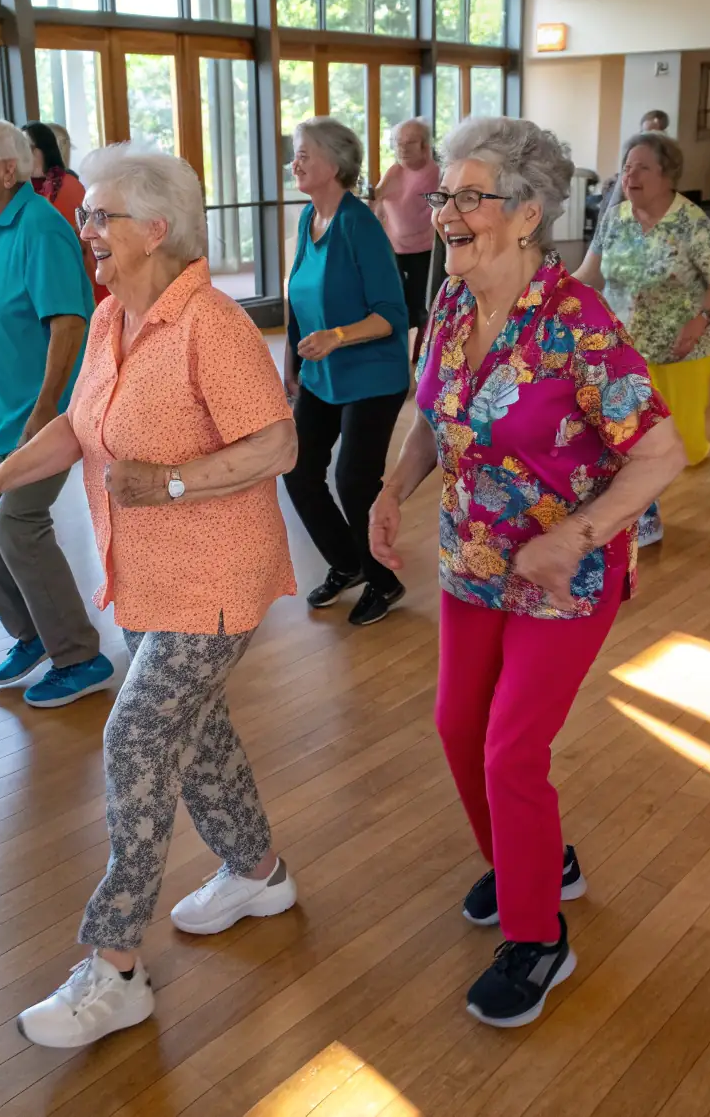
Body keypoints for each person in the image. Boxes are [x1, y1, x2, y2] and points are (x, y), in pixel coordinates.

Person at [0, 144, 299, 1049]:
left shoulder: (210, 323)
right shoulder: (112, 318)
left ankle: (115, 967)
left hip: (215, 577)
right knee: (197, 729)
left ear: (157, 228)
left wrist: (173, 482)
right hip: (143, 574)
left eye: (101, 216)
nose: (87, 228)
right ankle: (259, 870)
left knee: (137, 732)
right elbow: (79, 426)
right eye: (87, 215)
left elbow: (278, 445)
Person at [369, 116, 685, 1029]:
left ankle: (539, 935)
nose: (446, 211)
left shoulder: (578, 324)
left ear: (527, 214)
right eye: (445, 194)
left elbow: (660, 453)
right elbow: (434, 412)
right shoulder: (452, 302)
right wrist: (393, 488)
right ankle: (536, 864)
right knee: (456, 725)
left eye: (470, 196)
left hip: (562, 578)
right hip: (472, 557)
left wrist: (577, 536)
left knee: (511, 749)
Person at [0, 118, 111, 708]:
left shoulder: (40, 229)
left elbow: (69, 323)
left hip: (47, 416)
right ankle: (35, 631)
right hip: (3, 416)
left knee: (17, 520)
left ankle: (80, 656)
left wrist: (44, 411)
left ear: (8, 170)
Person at [576, 132, 710, 545]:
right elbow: (588, 274)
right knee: (626, 437)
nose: (630, 176)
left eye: (642, 168)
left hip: (680, 350)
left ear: (667, 176)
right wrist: (547, 292)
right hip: (623, 349)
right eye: (627, 167)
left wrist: (700, 320)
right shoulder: (615, 219)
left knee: (678, 443)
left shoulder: (690, 222)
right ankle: (642, 516)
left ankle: (641, 509)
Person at [283, 117, 410, 627]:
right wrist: (292, 364)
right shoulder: (307, 219)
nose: (295, 163)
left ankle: (383, 580)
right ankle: (347, 562)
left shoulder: (360, 225)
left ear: (334, 165)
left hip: (373, 375)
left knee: (354, 480)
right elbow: (297, 296)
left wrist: (336, 336)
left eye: (304, 155)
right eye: (296, 154)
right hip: (322, 375)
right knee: (298, 470)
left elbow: (392, 314)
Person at [373, 117, 441, 364]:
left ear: (425, 145)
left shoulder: (437, 174)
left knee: (422, 307)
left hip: (425, 251)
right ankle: (395, 358)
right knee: (393, 303)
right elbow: (376, 200)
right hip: (393, 250)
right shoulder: (394, 171)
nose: (402, 148)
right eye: (398, 143)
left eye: (409, 143)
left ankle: (419, 360)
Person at [22, 120, 107, 303]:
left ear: (45, 150)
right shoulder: (23, 190)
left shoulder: (67, 186)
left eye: (27, 148)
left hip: (68, 281)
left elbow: (76, 244)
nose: (20, 155)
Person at [597, 109, 670, 219]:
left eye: (652, 133)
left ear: (663, 133)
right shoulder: (634, 148)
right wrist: (616, 178)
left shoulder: (667, 155)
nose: (646, 137)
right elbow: (626, 171)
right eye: (644, 132)